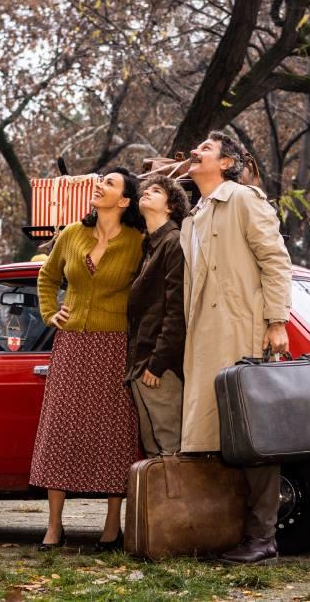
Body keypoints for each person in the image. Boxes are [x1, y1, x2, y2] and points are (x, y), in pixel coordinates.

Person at [180, 130, 292, 565]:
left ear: (226, 163)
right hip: (204, 339)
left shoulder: (244, 199)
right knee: (218, 439)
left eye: (206, 149)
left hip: (242, 334)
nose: (195, 151)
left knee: (252, 436)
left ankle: (263, 538)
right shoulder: (194, 216)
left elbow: (275, 259)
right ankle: (228, 532)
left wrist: (277, 321)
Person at [31, 166, 145, 551]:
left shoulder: (137, 241)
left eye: (109, 183)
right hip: (71, 344)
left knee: (114, 433)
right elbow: (47, 277)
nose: (99, 185)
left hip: (115, 346)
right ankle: (53, 526)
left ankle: (112, 526)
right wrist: (51, 313)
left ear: (124, 200)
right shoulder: (71, 234)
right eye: (100, 181)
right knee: (60, 430)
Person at [125, 175, 191, 456]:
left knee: (170, 450)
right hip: (142, 363)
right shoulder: (150, 246)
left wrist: (157, 363)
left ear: (170, 206)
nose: (146, 193)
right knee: (154, 451)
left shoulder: (174, 242)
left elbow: (177, 312)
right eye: (145, 189)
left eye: (156, 191)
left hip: (159, 367)